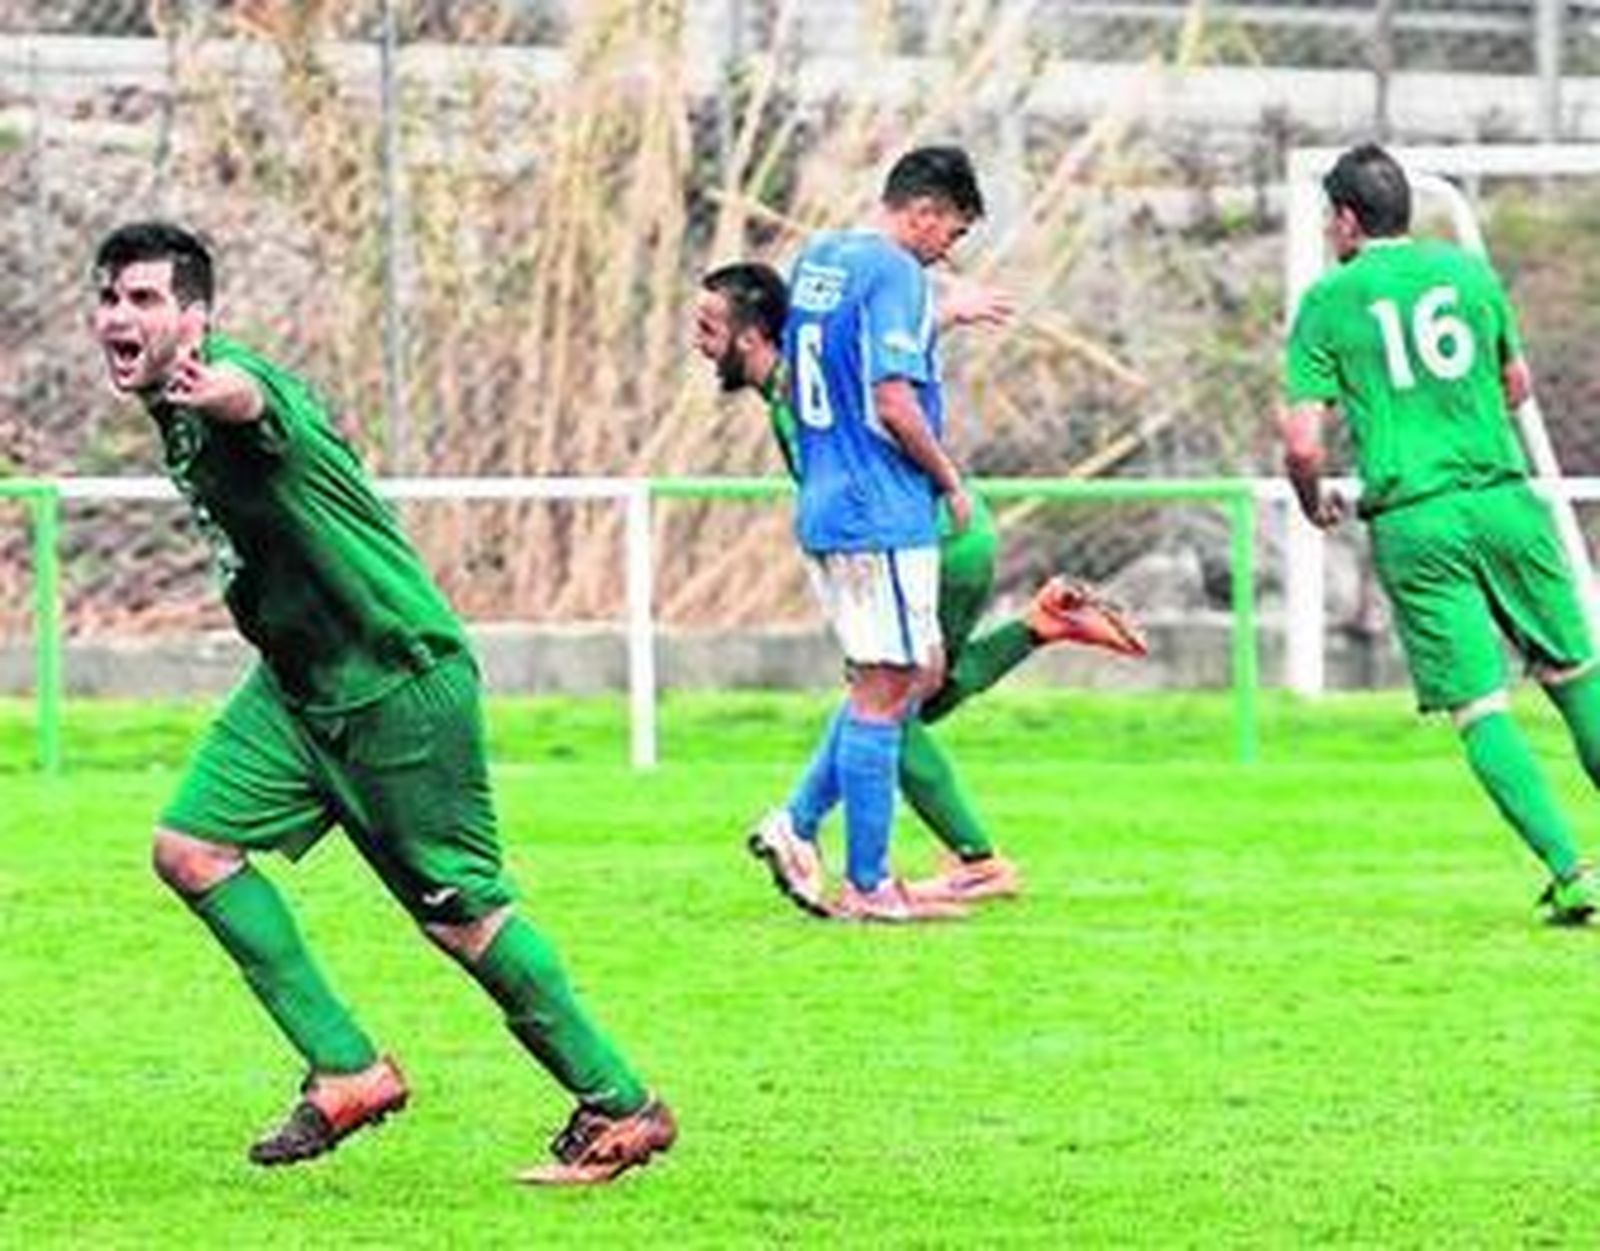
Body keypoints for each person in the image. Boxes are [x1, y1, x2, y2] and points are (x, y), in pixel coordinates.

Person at [89, 221, 675, 1184]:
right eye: (110, 297)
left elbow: (255, 404)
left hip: (396, 679)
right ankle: (347, 1068)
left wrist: (217, 390)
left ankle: (620, 1102)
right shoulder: (172, 404)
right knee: (189, 849)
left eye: (145, 299)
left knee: (461, 919)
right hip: (296, 685)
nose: (121, 315)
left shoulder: (228, 383)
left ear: (195, 317)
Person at [693, 261, 1146, 915]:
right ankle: (1042, 625)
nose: (698, 341)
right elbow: (872, 364)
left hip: (931, 544)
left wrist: (939, 323)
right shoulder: (797, 385)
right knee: (900, 701)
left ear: (753, 335)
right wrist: (943, 314)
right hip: (935, 541)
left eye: (709, 327)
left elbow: (886, 390)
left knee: (889, 703)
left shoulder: (800, 388)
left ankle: (936, 858)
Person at [1280, 143, 1600, 924]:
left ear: (1347, 220)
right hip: (1502, 500)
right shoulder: (1470, 275)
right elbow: (1514, 382)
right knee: (1575, 675)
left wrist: (1314, 497)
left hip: (1417, 519)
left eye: (1330, 217)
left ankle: (1573, 873)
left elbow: (1301, 442)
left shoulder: (1331, 298)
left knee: (1481, 707)